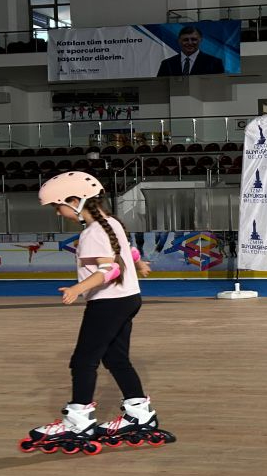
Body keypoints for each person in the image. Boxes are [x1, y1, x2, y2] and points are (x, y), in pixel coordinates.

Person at [20, 171, 173, 456]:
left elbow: (110, 269)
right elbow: (124, 250)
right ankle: (139, 413)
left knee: (83, 361)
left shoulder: (92, 233)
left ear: (75, 201)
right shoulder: (111, 223)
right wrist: (139, 264)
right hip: (128, 298)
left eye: (58, 206)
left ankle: (77, 421)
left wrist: (78, 288)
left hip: (108, 302)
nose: (57, 212)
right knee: (115, 358)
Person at [157, 25, 225, 77]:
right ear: (179, 41)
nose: (189, 43)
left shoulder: (214, 63)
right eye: (185, 40)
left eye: (193, 39)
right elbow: (160, 87)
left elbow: (220, 87)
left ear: (200, 40)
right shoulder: (167, 64)